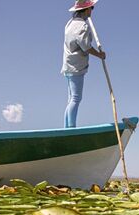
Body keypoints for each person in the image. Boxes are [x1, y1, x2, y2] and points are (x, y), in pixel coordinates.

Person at [61, 0, 106, 128]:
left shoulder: (69, 24)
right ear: (86, 10)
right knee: (75, 99)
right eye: (92, 8)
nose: (92, 10)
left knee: (71, 100)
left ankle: (67, 128)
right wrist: (100, 55)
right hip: (76, 67)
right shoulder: (82, 26)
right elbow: (86, 47)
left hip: (68, 65)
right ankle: (71, 129)